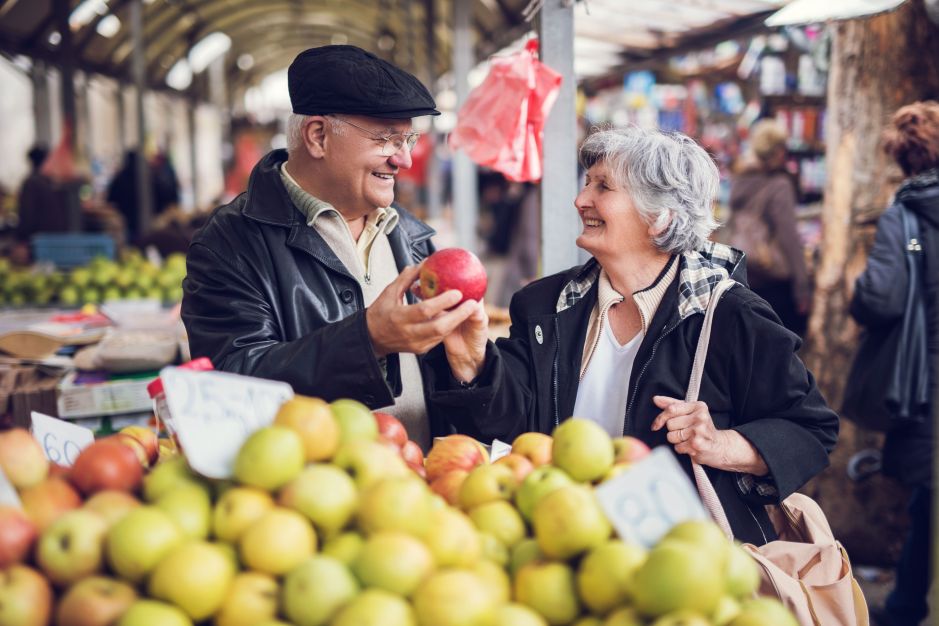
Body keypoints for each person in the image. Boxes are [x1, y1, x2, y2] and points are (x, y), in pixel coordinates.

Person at [425, 126, 839, 545]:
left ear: (661, 219)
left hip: (682, 562)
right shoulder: (544, 305)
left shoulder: (730, 316)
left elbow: (810, 427)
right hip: (560, 540)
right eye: (587, 182)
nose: (581, 199)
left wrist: (722, 444)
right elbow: (510, 421)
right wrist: (471, 361)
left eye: (603, 187)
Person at [181, 46, 482, 451]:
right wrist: (368, 339)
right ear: (318, 136)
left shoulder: (413, 237)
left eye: (407, 138)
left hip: (421, 492)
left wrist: (473, 368)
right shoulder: (230, 243)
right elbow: (230, 383)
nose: (405, 159)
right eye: (386, 139)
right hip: (308, 494)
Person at [852, 101, 938, 626]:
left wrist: (854, 287)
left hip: (929, 378)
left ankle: (908, 608)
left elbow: (881, 297)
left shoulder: (906, 215)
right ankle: (908, 602)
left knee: (929, 499)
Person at [728, 120, 810, 336]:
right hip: (774, 278)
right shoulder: (779, 185)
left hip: (745, 272)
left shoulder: (740, 179)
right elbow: (788, 237)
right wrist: (802, 286)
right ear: (778, 151)